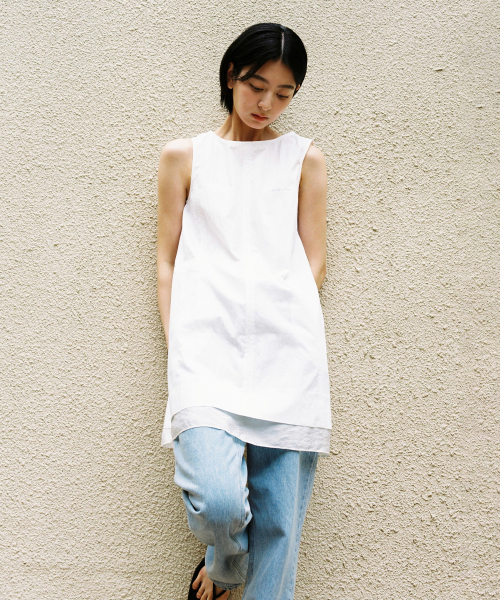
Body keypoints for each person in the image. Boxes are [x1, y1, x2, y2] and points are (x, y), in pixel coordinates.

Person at [157, 22, 332, 600]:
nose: (267, 104)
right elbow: (167, 261)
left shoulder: (304, 159)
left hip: (287, 356)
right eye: (257, 86)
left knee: (280, 526)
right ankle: (227, 562)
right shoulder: (185, 157)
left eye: (283, 93)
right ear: (231, 75)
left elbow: (313, 258)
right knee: (219, 500)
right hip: (206, 353)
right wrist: (180, 345)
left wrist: (282, 314)